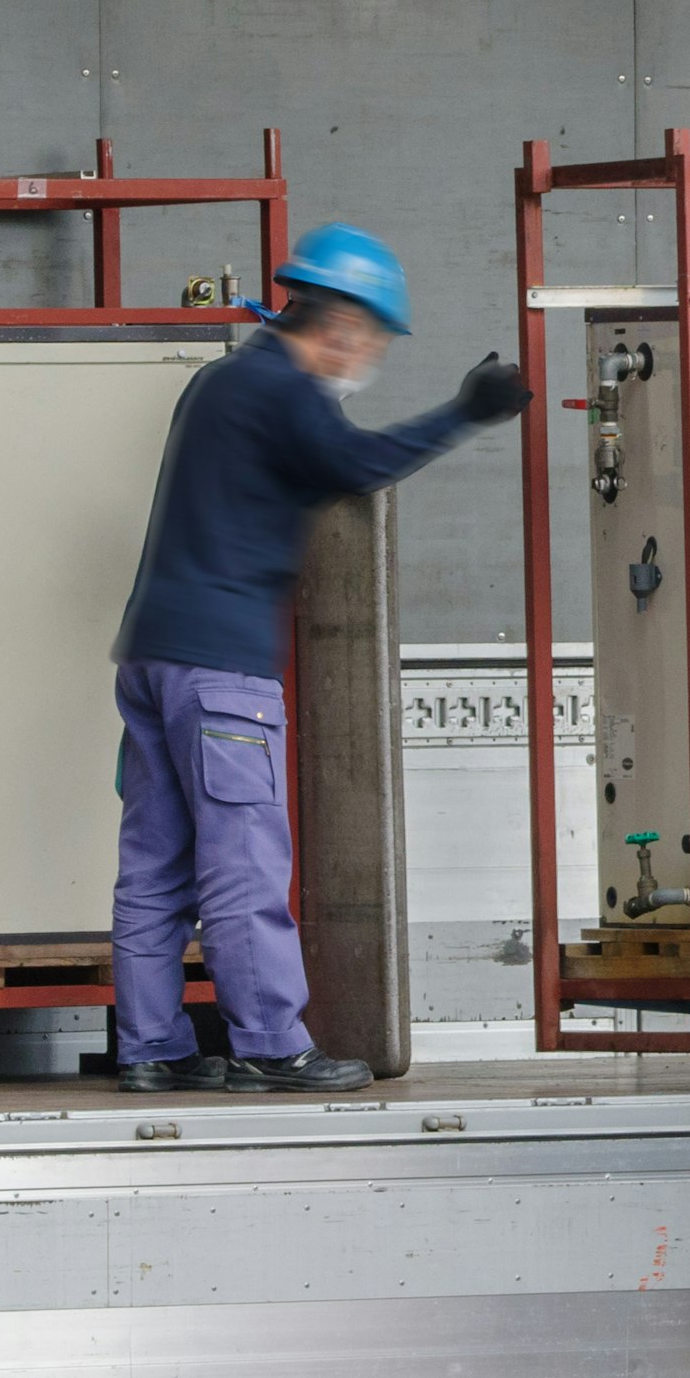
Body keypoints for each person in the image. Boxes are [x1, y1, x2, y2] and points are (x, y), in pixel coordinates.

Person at [108, 222, 529, 1093]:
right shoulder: (284, 388)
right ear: (337, 322)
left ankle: (154, 1049)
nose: (367, 354)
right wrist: (466, 413)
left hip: (151, 657)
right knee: (243, 861)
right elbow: (355, 462)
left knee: (153, 868)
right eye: (372, 336)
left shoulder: (217, 382)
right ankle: (270, 1043)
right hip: (223, 674)